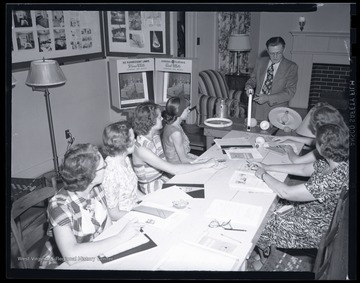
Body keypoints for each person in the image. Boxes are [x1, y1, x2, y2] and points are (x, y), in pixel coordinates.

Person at [249, 123, 349, 265]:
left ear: (323, 148)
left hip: (317, 226)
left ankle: (265, 258)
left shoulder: (332, 180)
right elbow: (302, 169)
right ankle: (264, 248)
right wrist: (268, 167)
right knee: (266, 206)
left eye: (317, 142)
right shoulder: (335, 163)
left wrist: (263, 175)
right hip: (316, 211)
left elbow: (286, 192)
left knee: (262, 222)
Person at [39, 143, 141, 269]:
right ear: (90, 177)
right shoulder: (60, 207)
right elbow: (71, 255)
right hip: (61, 264)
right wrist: (120, 237)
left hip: (94, 252)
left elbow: (107, 228)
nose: (107, 168)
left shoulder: (97, 188)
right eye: (104, 167)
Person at [132, 101, 218, 194]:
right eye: (159, 117)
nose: (162, 118)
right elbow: (173, 169)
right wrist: (204, 164)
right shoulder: (141, 149)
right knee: (200, 191)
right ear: (150, 121)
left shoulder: (155, 136)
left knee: (204, 182)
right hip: (153, 189)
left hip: (163, 179)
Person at [272, 102, 348, 164]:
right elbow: (313, 142)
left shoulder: (326, 146)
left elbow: (297, 161)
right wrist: (288, 137)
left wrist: (289, 149)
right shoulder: (340, 135)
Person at [244, 36, 298, 121]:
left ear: (284, 50)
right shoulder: (260, 62)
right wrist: (248, 86)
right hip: (257, 109)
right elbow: (253, 79)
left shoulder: (291, 67)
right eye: (272, 53)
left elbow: (290, 92)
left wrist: (268, 98)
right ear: (268, 51)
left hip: (277, 110)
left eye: (278, 53)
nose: (275, 56)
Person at [101, 121, 139, 222]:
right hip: (123, 222)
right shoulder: (111, 172)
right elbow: (113, 214)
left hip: (135, 211)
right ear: (123, 143)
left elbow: (133, 192)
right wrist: (140, 216)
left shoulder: (125, 159)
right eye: (132, 138)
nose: (135, 140)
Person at [162, 96, 198, 164]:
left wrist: (198, 159)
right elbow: (183, 160)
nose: (189, 111)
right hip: (176, 167)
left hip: (179, 162)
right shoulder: (175, 133)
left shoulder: (171, 124)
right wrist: (202, 162)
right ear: (179, 112)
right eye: (187, 110)